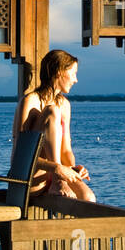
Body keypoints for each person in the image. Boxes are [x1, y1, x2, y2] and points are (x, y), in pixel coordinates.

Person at [12, 49, 94, 202]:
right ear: (59, 72)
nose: (75, 80)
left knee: (88, 197)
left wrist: (72, 169)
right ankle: (57, 181)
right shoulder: (30, 101)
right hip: (32, 176)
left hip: (57, 173)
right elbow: (19, 156)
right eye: (73, 73)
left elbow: (66, 149)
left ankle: (73, 226)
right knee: (52, 111)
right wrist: (56, 169)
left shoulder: (65, 105)